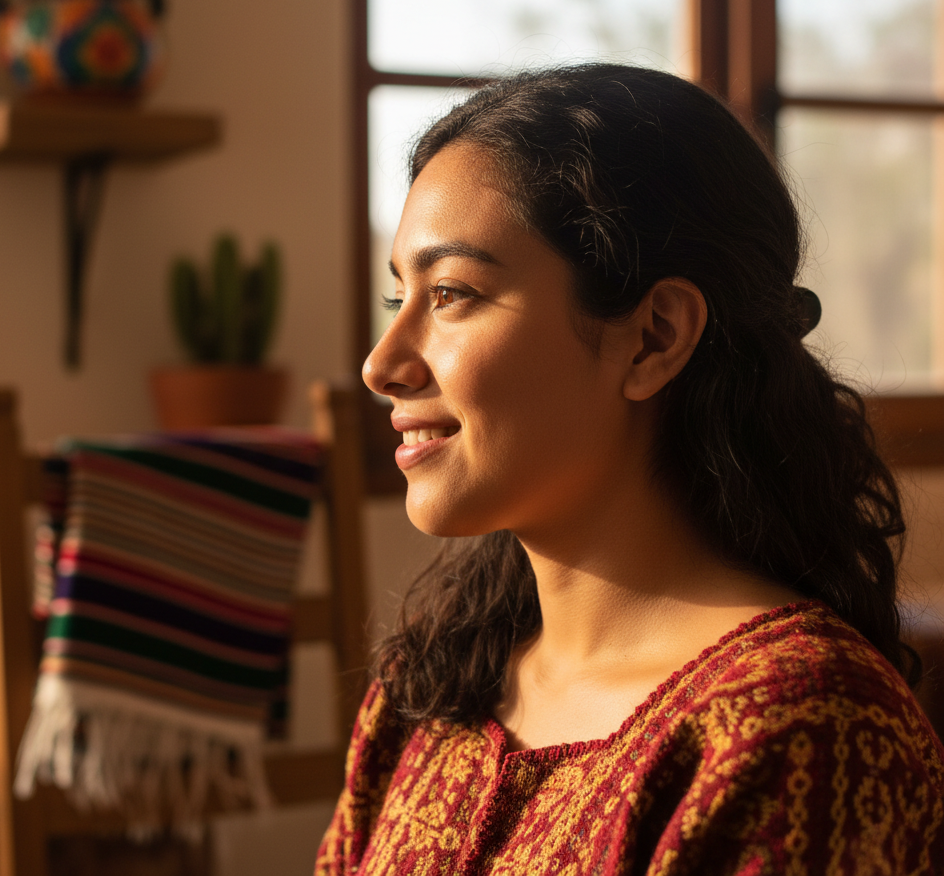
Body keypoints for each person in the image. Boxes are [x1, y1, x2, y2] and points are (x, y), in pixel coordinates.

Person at [315, 64, 944, 875]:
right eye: (396, 298)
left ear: (654, 336)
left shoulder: (805, 726)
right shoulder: (428, 690)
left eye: (453, 294)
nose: (382, 364)